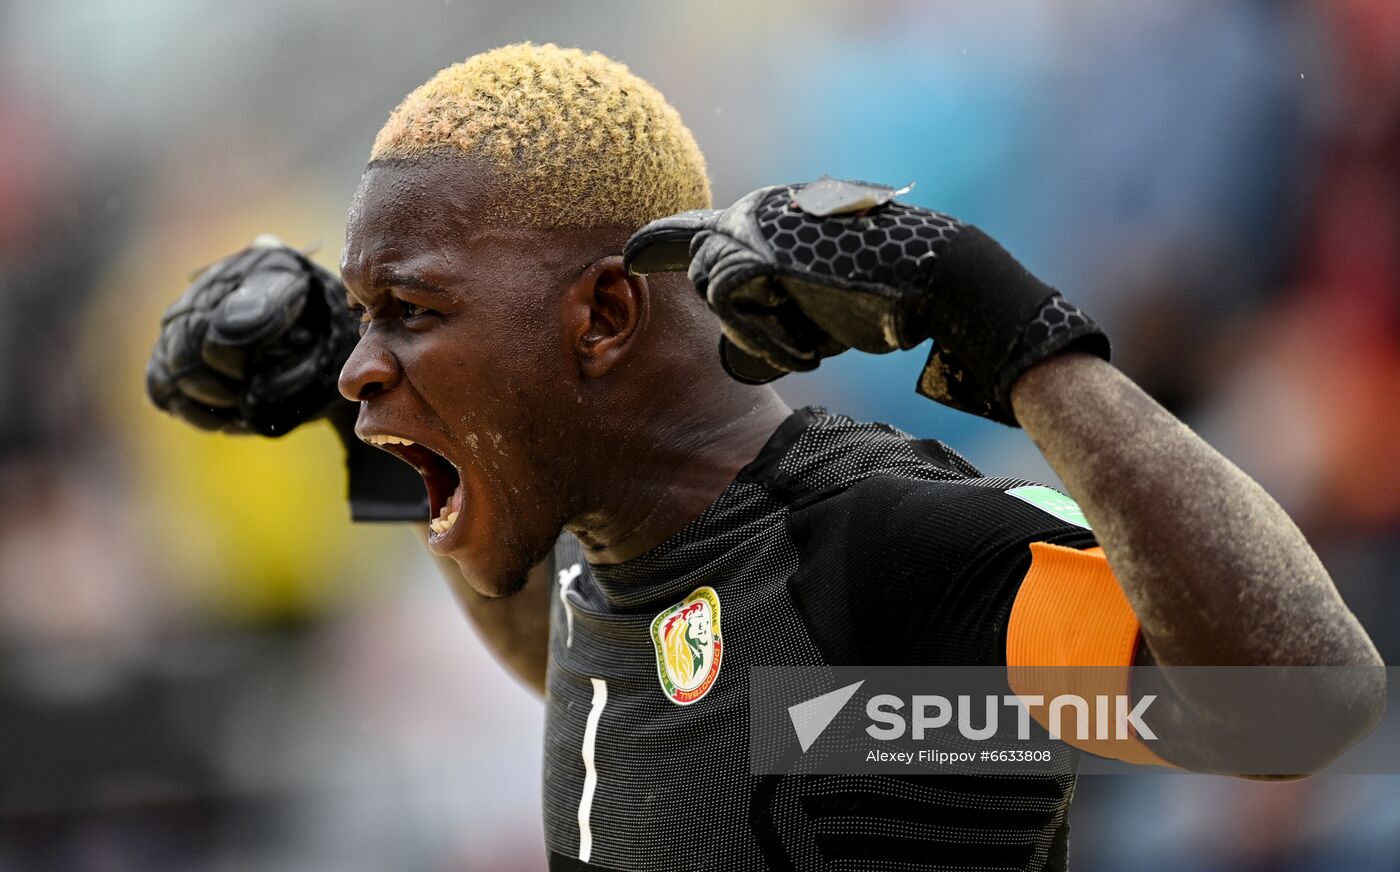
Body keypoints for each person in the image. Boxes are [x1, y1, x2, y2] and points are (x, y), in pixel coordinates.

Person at [146, 43, 1384, 872]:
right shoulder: (645, 569)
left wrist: (999, 321)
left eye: (409, 309)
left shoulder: (874, 550)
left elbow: (1295, 706)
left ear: (604, 316)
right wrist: (364, 431)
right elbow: (628, 688)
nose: (360, 361)